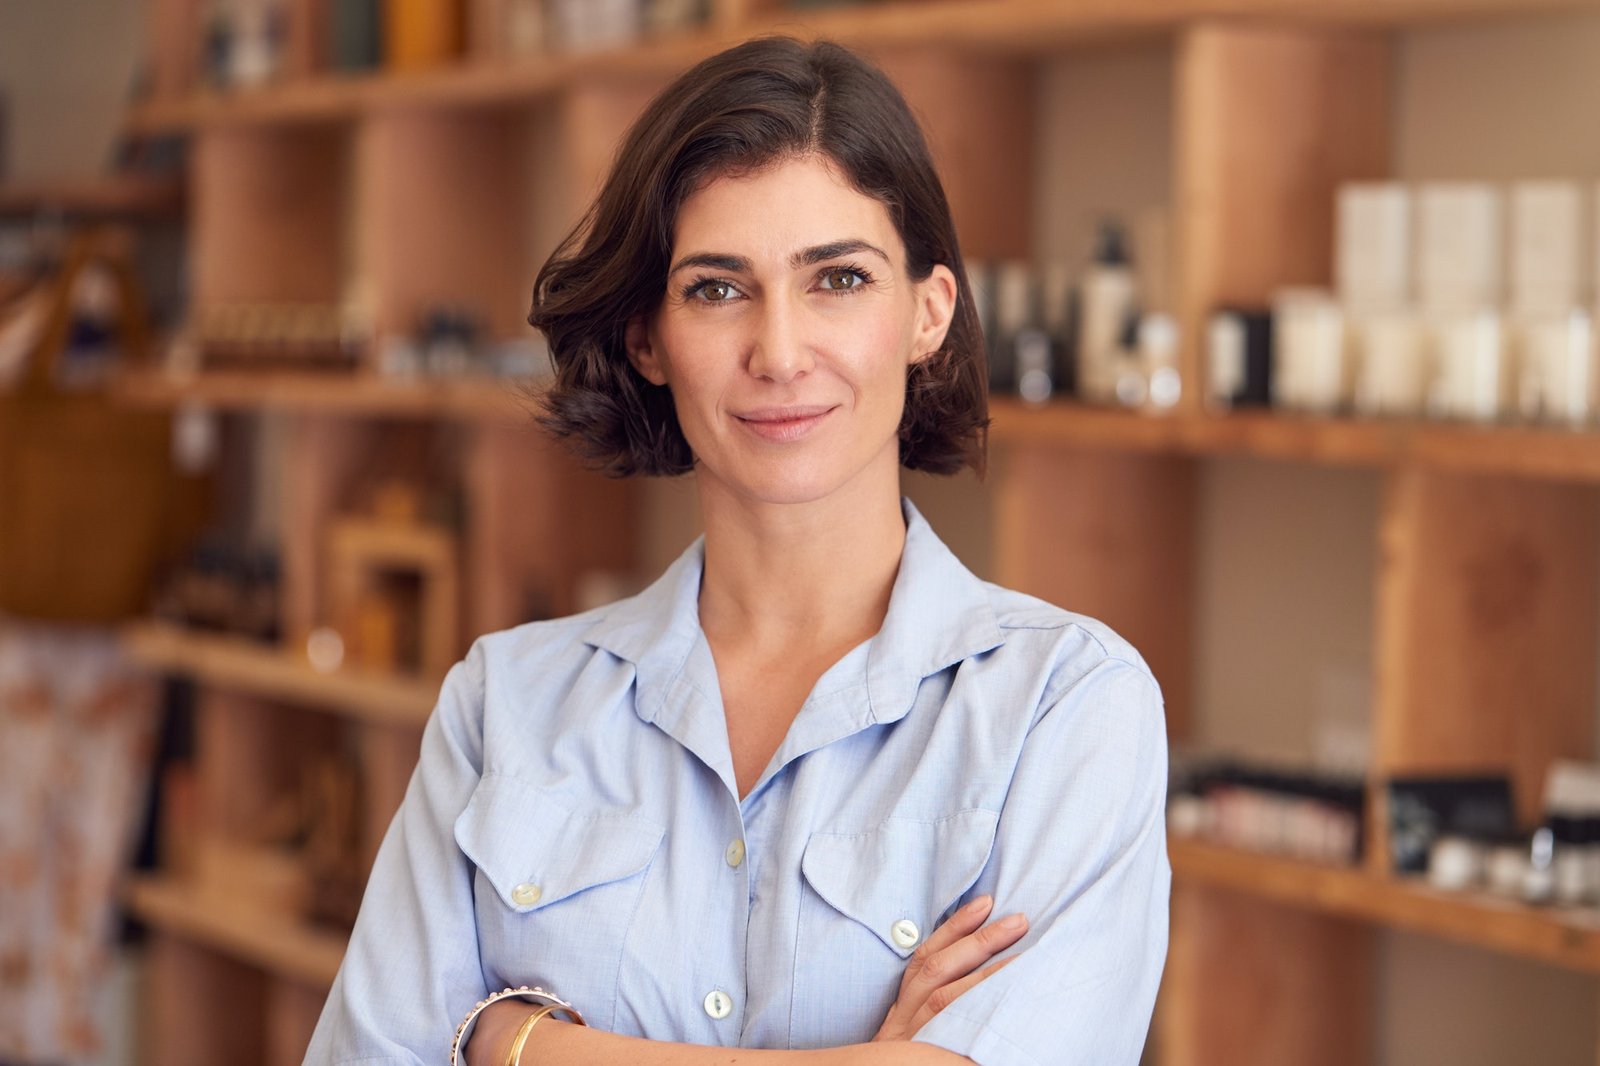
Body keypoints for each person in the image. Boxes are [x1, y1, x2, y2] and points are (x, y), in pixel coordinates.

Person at [304, 35, 1169, 1066]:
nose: (781, 351)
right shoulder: (505, 704)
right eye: (718, 288)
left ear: (926, 314)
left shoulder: (1065, 704)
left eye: (838, 279)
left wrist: (513, 1042)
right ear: (647, 339)